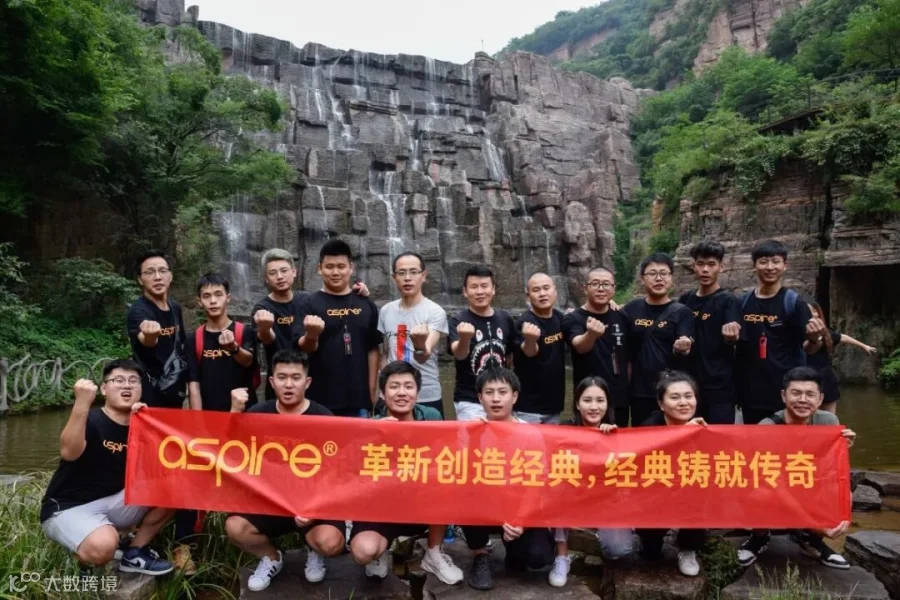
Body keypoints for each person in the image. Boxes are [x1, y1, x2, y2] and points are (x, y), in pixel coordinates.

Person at [224, 350, 344, 592]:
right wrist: (235, 411)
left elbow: (336, 474)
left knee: (331, 543)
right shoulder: (257, 413)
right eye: (282, 377)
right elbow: (228, 452)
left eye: (296, 377)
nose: (289, 384)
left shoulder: (325, 418)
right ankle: (272, 557)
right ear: (271, 381)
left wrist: (315, 508)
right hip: (271, 502)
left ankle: (314, 549)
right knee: (235, 527)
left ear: (307, 382)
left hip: (312, 504)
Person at [40, 360, 175, 575]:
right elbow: (69, 452)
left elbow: (161, 467)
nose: (127, 385)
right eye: (118, 380)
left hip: (114, 502)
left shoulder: (143, 425)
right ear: (104, 389)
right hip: (68, 507)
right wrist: (81, 404)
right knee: (104, 547)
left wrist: (147, 424)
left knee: (175, 486)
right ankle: (82, 556)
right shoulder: (90, 419)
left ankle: (134, 552)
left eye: (133, 381)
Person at [349, 361, 464, 584]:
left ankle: (433, 553)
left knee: (447, 482)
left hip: (420, 502)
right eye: (394, 387)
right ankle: (380, 553)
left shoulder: (431, 417)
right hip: (381, 508)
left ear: (417, 393)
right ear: (382, 394)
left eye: (408, 386)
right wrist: (376, 436)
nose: (402, 392)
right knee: (363, 552)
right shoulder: (370, 427)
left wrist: (483, 428)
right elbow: (353, 473)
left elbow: (447, 458)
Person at [176, 273, 258, 573]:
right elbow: (193, 383)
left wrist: (233, 347)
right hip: (208, 422)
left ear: (228, 298)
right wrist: (198, 424)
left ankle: (249, 543)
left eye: (218, 294)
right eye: (207, 296)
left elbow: (249, 362)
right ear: (200, 301)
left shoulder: (244, 331)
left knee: (246, 479)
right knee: (194, 479)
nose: (213, 301)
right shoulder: (194, 338)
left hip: (244, 420)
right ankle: (185, 545)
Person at [736, 367, 856, 569]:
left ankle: (810, 540)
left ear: (820, 399)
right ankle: (760, 536)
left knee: (840, 488)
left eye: (810, 394)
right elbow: (773, 482)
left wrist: (843, 449)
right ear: (784, 396)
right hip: (776, 486)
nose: (803, 400)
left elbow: (833, 471)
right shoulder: (767, 428)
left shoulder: (828, 421)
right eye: (796, 393)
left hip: (806, 480)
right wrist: (817, 524)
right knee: (757, 493)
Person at [461, 367, 555, 591]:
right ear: (479, 397)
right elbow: (460, 476)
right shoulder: (470, 430)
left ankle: (514, 547)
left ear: (514, 396)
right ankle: (480, 554)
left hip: (517, 506)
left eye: (502, 392)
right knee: (463, 491)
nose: (496, 399)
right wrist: (473, 439)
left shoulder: (530, 433)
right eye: (489, 392)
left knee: (538, 557)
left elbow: (537, 483)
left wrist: (521, 520)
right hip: (485, 506)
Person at [252, 248, 369, 400]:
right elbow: (267, 339)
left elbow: (331, 299)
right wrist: (265, 328)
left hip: (311, 380)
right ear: (266, 278)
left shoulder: (307, 300)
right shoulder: (262, 309)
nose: (279, 277)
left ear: (294, 272)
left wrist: (355, 293)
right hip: (280, 380)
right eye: (273, 273)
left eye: (284, 271)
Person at [551, 376, 634, 587]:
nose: (594, 407)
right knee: (557, 487)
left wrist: (611, 441)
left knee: (618, 549)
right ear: (577, 404)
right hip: (572, 499)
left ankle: (604, 533)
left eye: (600, 400)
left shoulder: (617, 433)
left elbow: (625, 479)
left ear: (608, 404)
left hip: (606, 503)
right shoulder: (563, 431)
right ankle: (562, 556)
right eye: (587, 400)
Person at [735, 240, 825, 424]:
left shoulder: (795, 303)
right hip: (751, 392)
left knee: (789, 440)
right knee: (756, 439)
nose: (770, 267)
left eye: (775, 262)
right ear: (754, 266)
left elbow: (810, 348)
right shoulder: (742, 302)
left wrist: (815, 338)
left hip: (786, 392)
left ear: (785, 266)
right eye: (763, 262)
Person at [293, 239, 382, 417]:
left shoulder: (366, 304)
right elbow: (303, 348)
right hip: (318, 398)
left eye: (341, 266)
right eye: (329, 267)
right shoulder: (308, 304)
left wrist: (372, 390)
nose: (335, 272)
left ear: (351, 268)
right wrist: (312, 334)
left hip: (358, 399)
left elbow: (373, 348)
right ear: (319, 268)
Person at [637, 371, 707, 576]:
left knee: (699, 489)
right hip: (655, 495)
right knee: (650, 553)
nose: (683, 403)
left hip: (688, 494)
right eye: (675, 397)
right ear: (661, 404)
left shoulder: (704, 428)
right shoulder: (648, 427)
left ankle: (688, 548)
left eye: (688, 396)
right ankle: (649, 538)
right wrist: (682, 434)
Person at [624, 253, 695, 426]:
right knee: (642, 435)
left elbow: (685, 344)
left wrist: (682, 347)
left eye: (664, 273)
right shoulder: (631, 309)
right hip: (639, 392)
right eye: (652, 273)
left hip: (671, 393)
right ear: (642, 278)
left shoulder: (682, 312)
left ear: (671, 278)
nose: (658, 278)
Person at [377, 252, 449, 416]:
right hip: (393, 394)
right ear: (394, 277)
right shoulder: (386, 311)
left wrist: (419, 344)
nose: (407, 278)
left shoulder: (435, 311)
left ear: (423, 276)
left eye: (414, 272)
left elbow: (423, 356)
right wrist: (382, 389)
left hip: (426, 394)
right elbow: (386, 354)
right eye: (401, 273)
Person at [678, 241, 741, 424]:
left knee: (719, 437)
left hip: (719, 387)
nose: (705, 270)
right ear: (693, 266)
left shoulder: (728, 300)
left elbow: (735, 336)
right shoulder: (685, 300)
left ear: (722, 267)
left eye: (711, 264)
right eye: (700, 264)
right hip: (688, 386)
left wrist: (732, 337)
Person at [562, 267, 632, 427]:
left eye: (606, 284)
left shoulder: (622, 316)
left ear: (614, 289)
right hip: (588, 400)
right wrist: (591, 334)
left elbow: (629, 357)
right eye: (595, 284)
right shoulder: (573, 318)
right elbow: (579, 346)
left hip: (619, 398)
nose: (601, 288)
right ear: (585, 288)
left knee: (618, 439)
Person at [448, 265, 517, 421]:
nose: (480, 292)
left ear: (493, 289)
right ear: (465, 291)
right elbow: (459, 354)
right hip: (469, 399)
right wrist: (464, 338)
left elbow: (509, 357)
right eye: (474, 287)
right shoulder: (457, 320)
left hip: (501, 397)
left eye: (484, 286)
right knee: (474, 437)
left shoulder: (505, 318)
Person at [126, 250, 187, 408]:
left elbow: (181, 344)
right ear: (140, 279)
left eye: (162, 271)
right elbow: (145, 340)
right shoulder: (138, 311)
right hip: (150, 392)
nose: (158, 277)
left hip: (175, 386)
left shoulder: (175, 307)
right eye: (150, 272)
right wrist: (150, 335)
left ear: (170, 276)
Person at [805, 301, 877, 414]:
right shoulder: (798, 332)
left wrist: (864, 346)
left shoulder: (826, 333)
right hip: (807, 377)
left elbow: (843, 337)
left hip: (826, 376)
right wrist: (813, 339)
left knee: (830, 414)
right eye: (807, 311)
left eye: (814, 310)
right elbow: (807, 348)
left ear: (818, 313)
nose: (811, 313)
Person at [513, 273, 566, 424]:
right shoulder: (524, 322)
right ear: (528, 296)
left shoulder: (560, 318)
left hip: (554, 405)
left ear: (555, 291)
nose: (542, 293)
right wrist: (530, 339)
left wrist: (610, 304)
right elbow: (529, 352)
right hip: (528, 408)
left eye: (546, 288)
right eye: (536, 290)